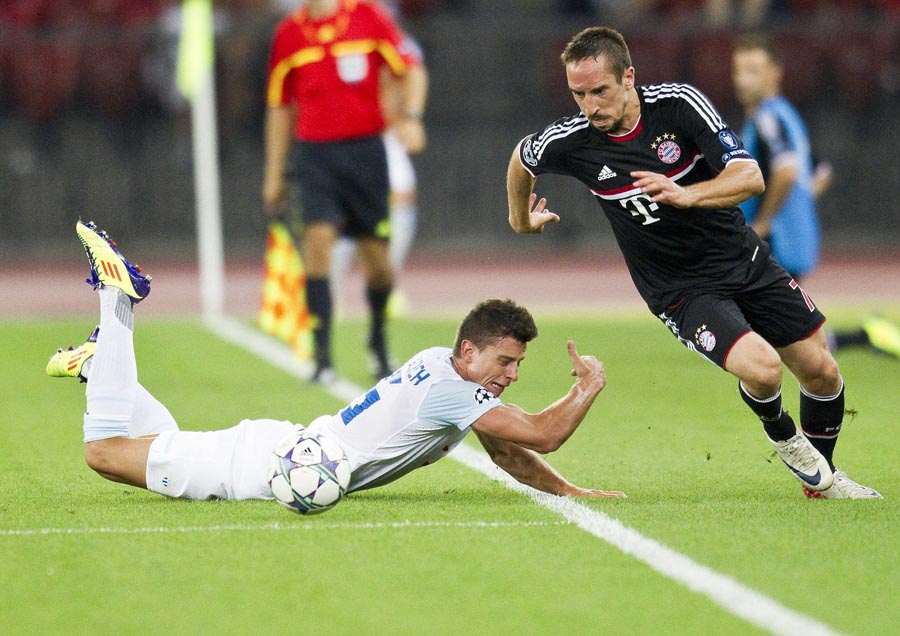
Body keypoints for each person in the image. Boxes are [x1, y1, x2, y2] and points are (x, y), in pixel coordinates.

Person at [506, 26, 881, 499]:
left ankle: (823, 481)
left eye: (599, 90)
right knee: (763, 369)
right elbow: (522, 157)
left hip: (743, 259)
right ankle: (782, 434)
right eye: (578, 94)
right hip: (680, 290)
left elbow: (750, 176)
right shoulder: (574, 140)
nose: (590, 106)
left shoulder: (679, 105)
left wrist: (688, 194)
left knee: (822, 371)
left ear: (629, 78)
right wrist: (520, 220)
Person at [46, 221, 625, 504]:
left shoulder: (440, 367)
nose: (512, 375)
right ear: (469, 352)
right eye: (506, 361)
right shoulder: (451, 392)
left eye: (518, 364)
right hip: (263, 469)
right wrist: (589, 384)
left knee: (152, 438)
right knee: (104, 453)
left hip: (284, 451)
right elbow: (542, 436)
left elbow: (511, 452)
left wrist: (570, 494)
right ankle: (116, 299)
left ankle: (103, 368)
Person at [262, 0, 428, 383]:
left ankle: (378, 341)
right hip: (314, 155)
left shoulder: (368, 17)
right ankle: (321, 355)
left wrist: (412, 117)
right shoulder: (288, 33)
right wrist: (274, 171)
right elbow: (279, 106)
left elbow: (412, 70)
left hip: (365, 153)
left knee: (378, 262)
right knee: (317, 243)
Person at [732, 33, 900, 359]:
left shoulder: (767, 118)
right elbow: (820, 172)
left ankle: (864, 335)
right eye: (739, 70)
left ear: (775, 72)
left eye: (753, 70)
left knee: (774, 339)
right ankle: (866, 334)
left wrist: (767, 220)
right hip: (793, 238)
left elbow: (787, 170)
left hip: (774, 241)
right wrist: (799, 208)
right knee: (774, 331)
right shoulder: (786, 117)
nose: (742, 79)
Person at [330, 18, 426, 322]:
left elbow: (410, 74)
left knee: (402, 194)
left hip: (386, 138)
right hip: (348, 138)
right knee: (340, 212)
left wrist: (410, 117)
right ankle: (329, 293)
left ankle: (386, 284)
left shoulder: (393, 40)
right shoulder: (338, 38)